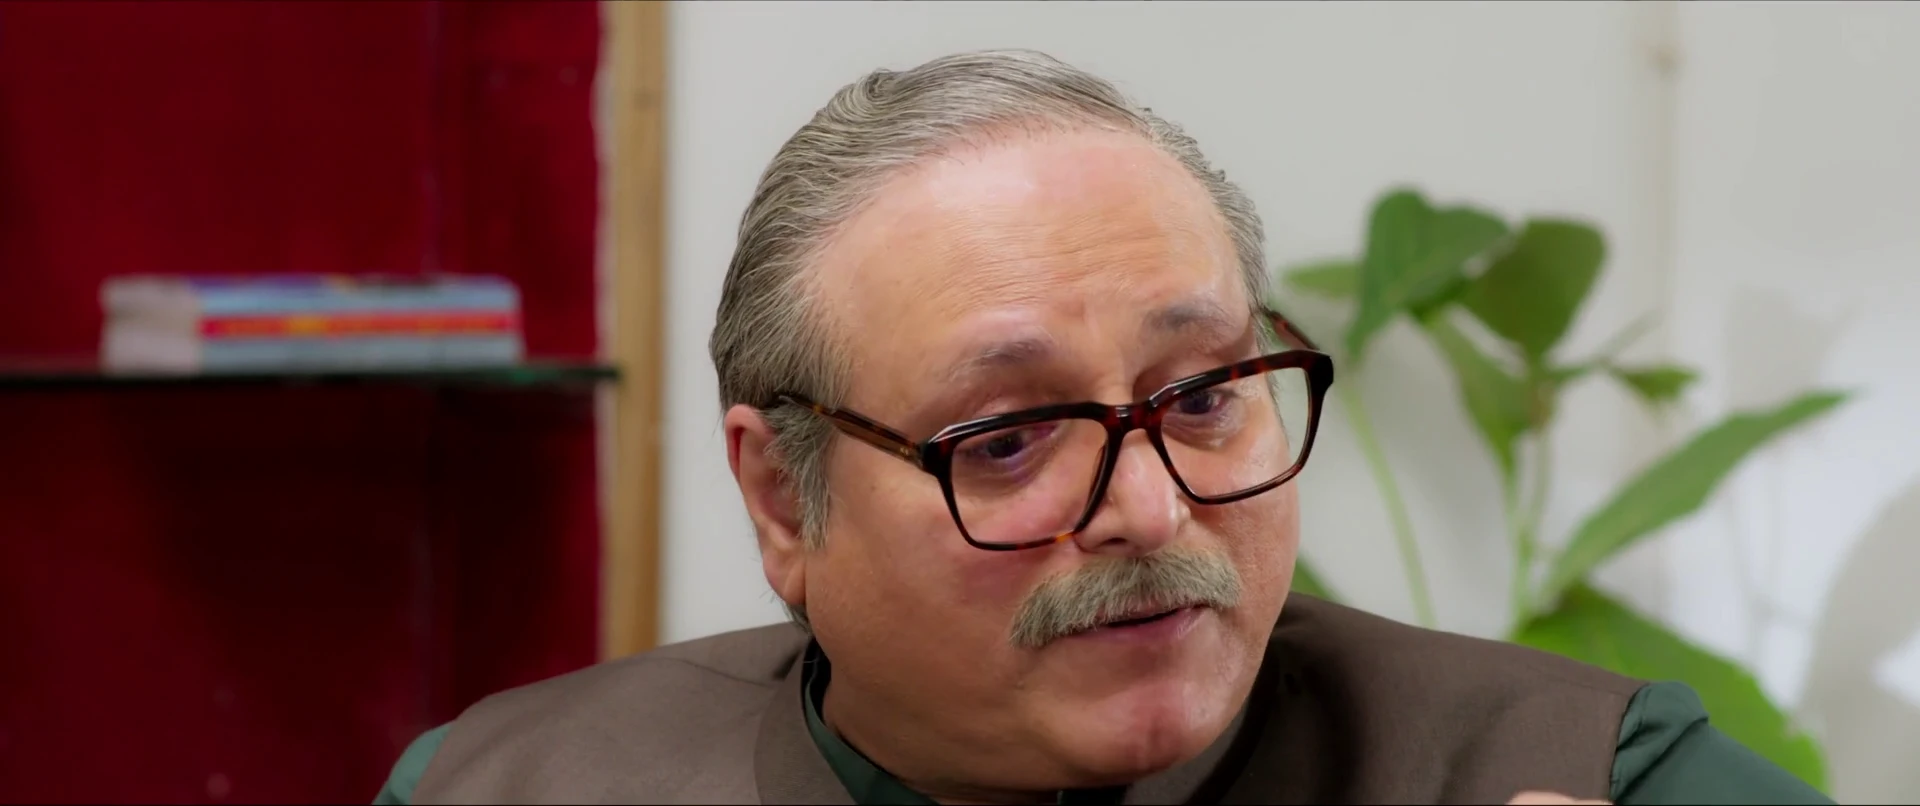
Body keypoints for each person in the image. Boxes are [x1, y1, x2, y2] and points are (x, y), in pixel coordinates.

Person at [376, 49, 1834, 805]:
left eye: (1202, 399)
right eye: (1009, 437)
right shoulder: (507, 788)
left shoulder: (1581, 768)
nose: (1149, 509)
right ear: (780, 500)